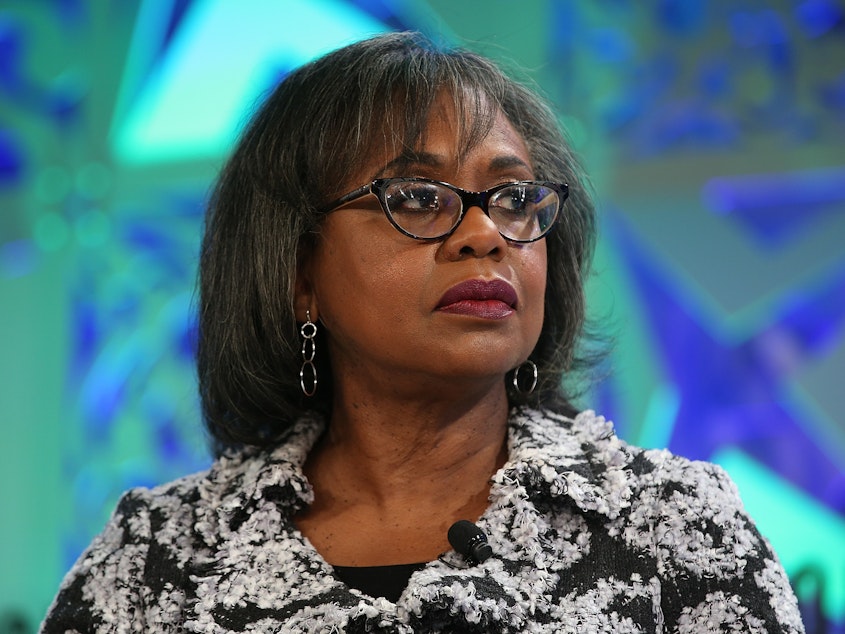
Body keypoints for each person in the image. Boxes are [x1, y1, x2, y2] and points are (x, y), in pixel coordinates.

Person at [41, 31, 804, 633]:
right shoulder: (155, 564)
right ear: (298, 272)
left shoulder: (674, 531)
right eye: (416, 196)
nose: (484, 235)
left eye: (512, 197)